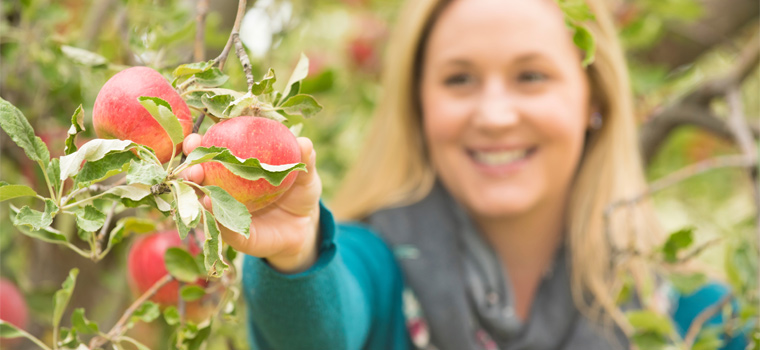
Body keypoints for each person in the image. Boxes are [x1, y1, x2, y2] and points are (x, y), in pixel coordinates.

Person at [181, 0, 747, 348]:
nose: (495, 115)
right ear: (420, 106)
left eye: (531, 76)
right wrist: (295, 257)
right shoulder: (379, 269)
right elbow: (322, 330)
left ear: (592, 101)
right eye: (459, 80)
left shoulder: (694, 318)